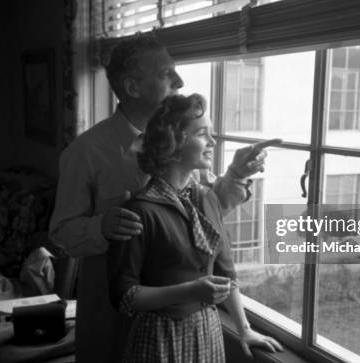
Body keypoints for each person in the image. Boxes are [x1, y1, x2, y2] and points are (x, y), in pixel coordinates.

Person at [49, 35, 279, 362]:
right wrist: (102, 226)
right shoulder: (85, 153)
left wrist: (237, 175)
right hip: (115, 313)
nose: (179, 81)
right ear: (132, 87)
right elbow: (61, 234)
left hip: (186, 322)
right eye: (165, 73)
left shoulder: (184, 148)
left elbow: (203, 223)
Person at [109, 93, 283, 362]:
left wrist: (244, 329)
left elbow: (226, 274)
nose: (213, 142)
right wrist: (189, 290)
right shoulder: (139, 212)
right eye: (203, 133)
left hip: (207, 332)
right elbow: (124, 296)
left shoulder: (206, 198)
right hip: (160, 339)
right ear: (174, 142)